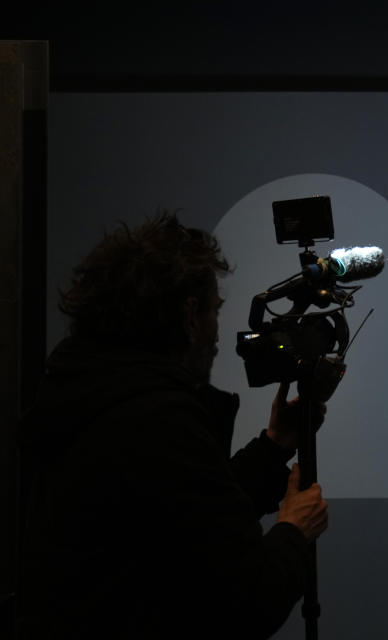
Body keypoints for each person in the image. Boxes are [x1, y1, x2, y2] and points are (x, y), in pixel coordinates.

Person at [17, 214, 328, 639]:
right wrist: (294, 531)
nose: (219, 335)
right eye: (215, 311)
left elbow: (188, 518)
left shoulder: (88, 395)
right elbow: (246, 600)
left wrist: (274, 447)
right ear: (189, 316)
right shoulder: (159, 421)